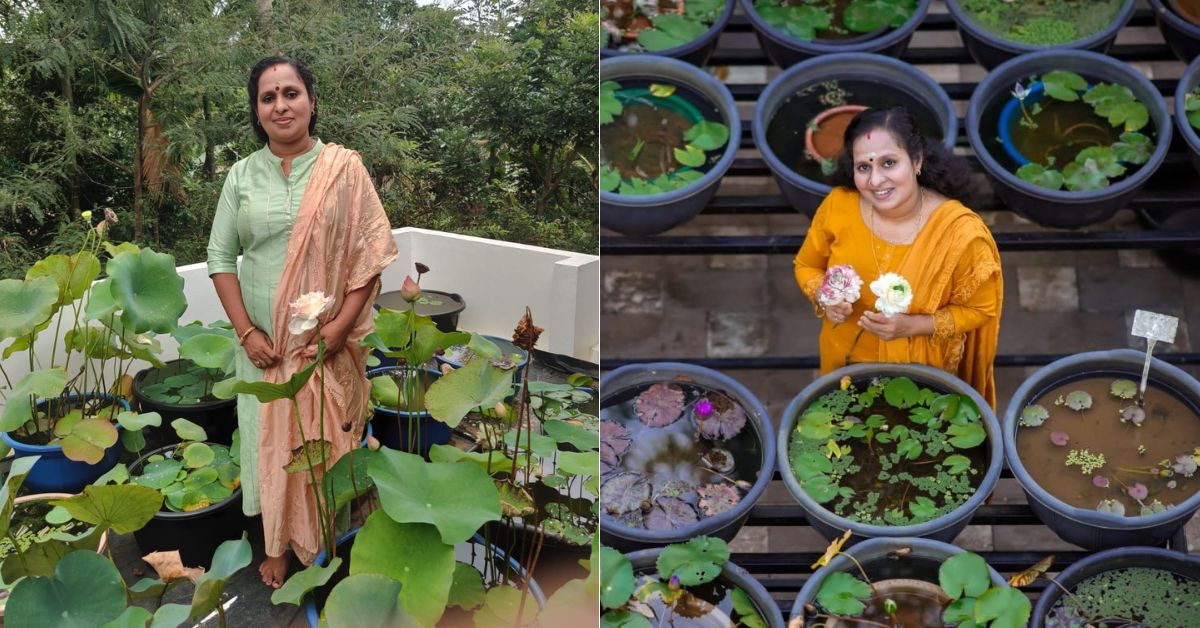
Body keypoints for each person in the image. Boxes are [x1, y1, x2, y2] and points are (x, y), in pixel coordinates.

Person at [206, 55, 398, 588]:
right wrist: (247, 332)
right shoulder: (241, 175)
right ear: (257, 111)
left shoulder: (344, 168)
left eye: (290, 93)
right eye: (267, 97)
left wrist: (337, 331)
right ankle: (278, 543)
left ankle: (331, 528)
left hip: (325, 343)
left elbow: (370, 254)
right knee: (272, 443)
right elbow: (221, 257)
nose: (280, 105)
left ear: (312, 101)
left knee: (325, 438)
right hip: (265, 347)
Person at [794, 107, 1003, 407]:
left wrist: (911, 326)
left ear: (917, 161)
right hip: (843, 359)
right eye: (863, 167)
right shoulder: (839, 205)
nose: (876, 180)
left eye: (889, 163)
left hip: (920, 376)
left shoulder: (959, 234)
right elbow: (806, 265)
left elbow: (981, 310)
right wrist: (823, 295)